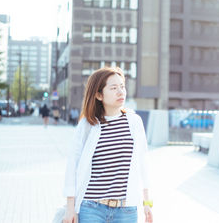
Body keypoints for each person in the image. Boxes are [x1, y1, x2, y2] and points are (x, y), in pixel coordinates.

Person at [63, 67, 153, 223]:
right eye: (113, 88)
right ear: (98, 95)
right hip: (91, 208)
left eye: (122, 86)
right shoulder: (87, 125)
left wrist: (147, 203)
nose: (120, 92)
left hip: (126, 210)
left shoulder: (134, 122)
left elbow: (144, 164)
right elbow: (73, 165)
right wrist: (70, 208)